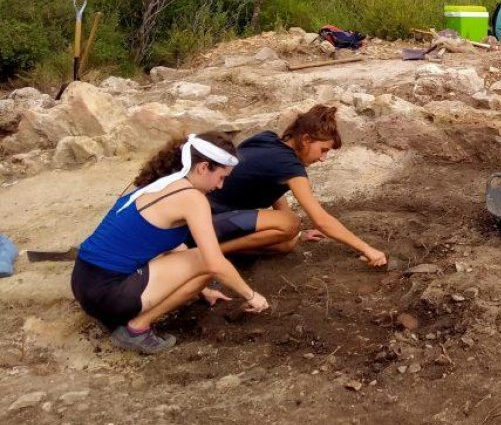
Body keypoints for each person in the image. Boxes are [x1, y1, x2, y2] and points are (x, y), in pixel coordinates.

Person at [72, 133, 269, 354]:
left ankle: (128, 316)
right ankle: (136, 330)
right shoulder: (192, 198)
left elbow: (171, 247)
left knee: (193, 256)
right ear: (203, 167)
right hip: (108, 295)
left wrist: (202, 289)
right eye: (221, 177)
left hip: (85, 282)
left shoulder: (163, 184)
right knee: (207, 261)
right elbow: (213, 262)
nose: (220, 186)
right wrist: (252, 295)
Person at [203, 104, 388, 266]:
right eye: (323, 150)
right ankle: (207, 254)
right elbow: (321, 220)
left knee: (288, 242)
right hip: (202, 221)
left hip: (211, 216)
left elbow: (271, 186)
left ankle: (216, 249)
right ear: (306, 140)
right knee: (291, 223)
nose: (323, 158)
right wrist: (367, 249)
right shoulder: (289, 165)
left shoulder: (267, 139)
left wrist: (296, 234)